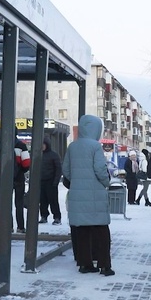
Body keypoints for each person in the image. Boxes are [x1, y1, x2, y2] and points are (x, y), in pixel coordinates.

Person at [62, 115, 113, 276]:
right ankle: (104, 266)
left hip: (77, 194)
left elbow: (66, 170)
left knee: (82, 231)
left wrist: (76, 181)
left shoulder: (73, 146)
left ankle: (85, 264)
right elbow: (100, 169)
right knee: (102, 231)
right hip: (95, 194)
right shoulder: (95, 146)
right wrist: (106, 182)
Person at [0, 139, 30, 232]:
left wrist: (4, 171)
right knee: (19, 203)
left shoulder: (0, 146)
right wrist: (20, 171)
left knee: (6, 204)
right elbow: (26, 163)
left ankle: (8, 227)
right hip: (19, 179)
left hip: (5, 179)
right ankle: (20, 227)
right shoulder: (21, 146)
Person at [37, 141, 63, 225]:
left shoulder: (53, 155)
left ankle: (57, 217)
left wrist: (56, 181)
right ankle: (44, 216)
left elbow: (58, 169)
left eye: (43, 145)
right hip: (41, 181)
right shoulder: (38, 155)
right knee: (42, 201)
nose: (42, 146)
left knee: (53, 200)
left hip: (51, 181)